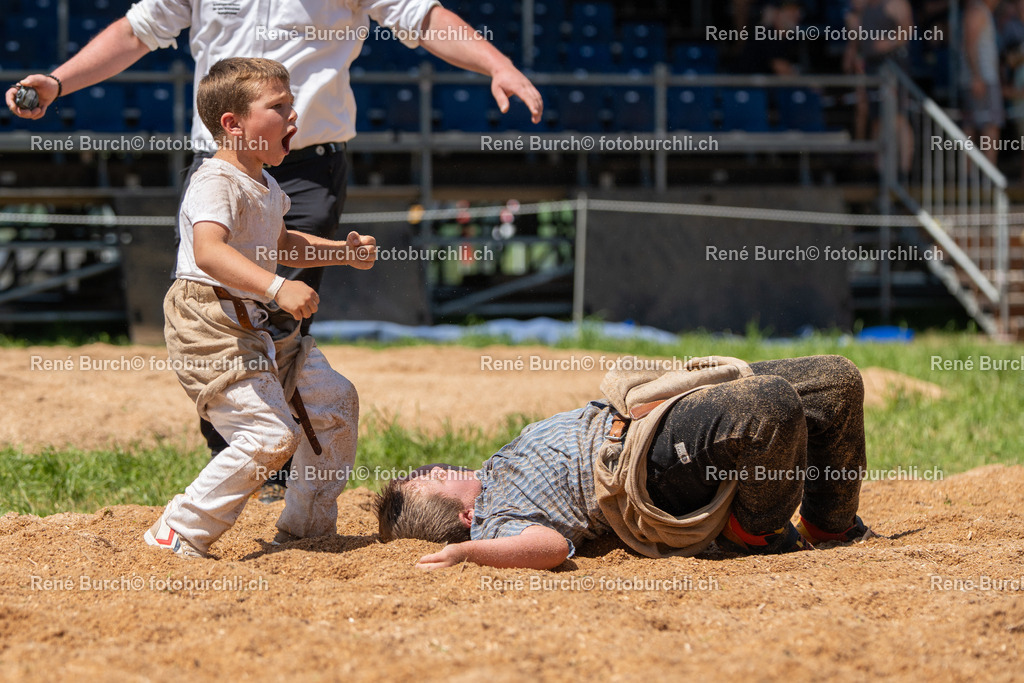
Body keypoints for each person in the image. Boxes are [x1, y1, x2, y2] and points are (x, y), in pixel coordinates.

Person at [5, 0, 543, 499]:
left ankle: (275, 467)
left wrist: (497, 64)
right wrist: (58, 81)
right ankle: (240, 455)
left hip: (309, 165)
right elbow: (135, 32)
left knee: (281, 322)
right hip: (221, 159)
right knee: (219, 307)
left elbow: (421, 17)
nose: (288, 109)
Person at [144, 57, 377, 558]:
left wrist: (342, 253)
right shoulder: (215, 181)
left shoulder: (266, 184)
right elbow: (209, 252)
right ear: (233, 124)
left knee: (334, 403)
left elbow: (282, 242)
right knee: (269, 435)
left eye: (292, 104)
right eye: (279, 107)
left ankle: (307, 529)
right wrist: (276, 288)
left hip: (257, 322)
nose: (293, 116)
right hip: (211, 324)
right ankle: (178, 530)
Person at [376, 355, 873, 570]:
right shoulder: (495, 521)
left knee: (836, 382)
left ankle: (828, 523)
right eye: (431, 480)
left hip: (643, 411)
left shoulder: (493, 468)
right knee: (770, 404)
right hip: (642, 468)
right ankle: (753, 533)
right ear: (465, 516)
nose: (431, 469)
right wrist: (468, 553)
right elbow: (551, 547)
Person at [961, 0, 1004, 165]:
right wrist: (976, 76)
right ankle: (984, 173)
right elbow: (970, 44)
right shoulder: (977, 11)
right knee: (987, 126)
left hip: (983, 79)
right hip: (982, 80)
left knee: (983, 124)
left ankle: (980, 172)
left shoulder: (981, 11)